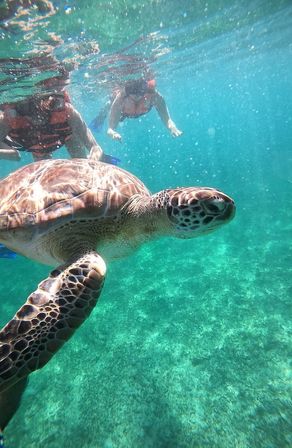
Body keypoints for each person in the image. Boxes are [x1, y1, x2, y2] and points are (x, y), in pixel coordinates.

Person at [91, 78, 182, 142]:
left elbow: (166, 118)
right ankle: (99, 119)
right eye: (135, 96)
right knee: (108, 105)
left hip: (132, 110)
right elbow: (110, 129)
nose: (137, 97)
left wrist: (172, 127)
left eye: (140, 95)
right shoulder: (121, 97)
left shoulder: (154, 96)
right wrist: (112, 132)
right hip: (124, 112)